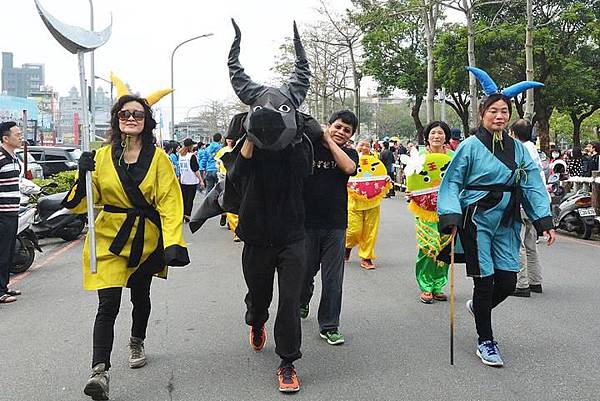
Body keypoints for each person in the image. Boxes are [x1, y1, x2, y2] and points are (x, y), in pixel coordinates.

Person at [62, 94, 190, 400]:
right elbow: (83, 206)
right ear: (116, 119)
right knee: (107, 305)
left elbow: (171, 202)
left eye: (137, 114)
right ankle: (99, 372)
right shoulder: (102, 156)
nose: (130, 118)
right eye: (124, 113)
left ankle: (136, 340)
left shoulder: (158, 158)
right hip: (108, 239)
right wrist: (83, 174)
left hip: (145, 241)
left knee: (140, 296)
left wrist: (173, 242)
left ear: (146, 121)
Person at [438, 67, 556, 367]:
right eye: (493, 111)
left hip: (507, 220)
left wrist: (544, 220)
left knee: (507, 282)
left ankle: (480, 308)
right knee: (485, 282)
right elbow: (451, 182)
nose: (499, 116)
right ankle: (486, 341)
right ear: (482, 114)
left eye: (504, 111)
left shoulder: (518, 149)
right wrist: (451, 216)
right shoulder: (468, 146)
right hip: (477, 219)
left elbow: (531, 183)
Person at [299, 110, 358, 346]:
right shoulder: (309, 146)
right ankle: (303, 298)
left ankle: (330, 325)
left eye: (347, 130)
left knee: (333, 279)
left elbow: (348, 169)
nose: (341, 132)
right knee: (304, 273)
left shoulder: (349, 153)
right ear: (328, 125)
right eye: (338, 127)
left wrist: (330, 142)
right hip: (305, 223)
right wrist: (320, 137)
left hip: (335, 224)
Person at [409, 121, 454, 304]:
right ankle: (425, 285)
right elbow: (412, 181)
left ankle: (438, 285)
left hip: (448, 209)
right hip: (425, 210)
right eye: (433, 133)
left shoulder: (453, 156)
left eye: (440, 133)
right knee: (429, 245)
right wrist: (411, 192)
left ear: (446, 137)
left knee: (444, 248)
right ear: (427, 136)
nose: (437, 136)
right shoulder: (418, 157)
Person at [509, 119, 547, 297]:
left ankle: (521, 284)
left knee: (519, 243)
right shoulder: (534, 149)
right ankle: (535, 281)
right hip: (537, 203)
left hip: (523, 202)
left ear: (513, 134)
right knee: (531, 243)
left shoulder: (520, 150)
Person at [345, 139, 391, 269]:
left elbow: (382, 175)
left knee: (370, 230)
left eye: (367, 146)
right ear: (356, 146)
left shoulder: (376, 161)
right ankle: (347, 246)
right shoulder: (349, 158)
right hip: (354, 201)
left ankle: (366, 257)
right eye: (361, 145)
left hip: (373, 201)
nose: (364, 148)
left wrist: (386, 180)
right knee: (353, 230)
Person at [0, 121, 23, 304]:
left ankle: (4, 287)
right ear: (5, 138)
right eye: (17, 135)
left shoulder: (15, 158)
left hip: (12, 213)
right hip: (2, 214)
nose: (20, 137)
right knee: (1, 252)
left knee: (8, 252)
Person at [214, 137, 240, 241]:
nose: (230, 140)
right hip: (224, 177)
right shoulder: (222, 150)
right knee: (228, 201)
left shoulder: (239, 149)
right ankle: (235, 230)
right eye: (228, 139)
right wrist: (219, 167)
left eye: (231, 138)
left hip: (237, 178)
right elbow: (217, 161)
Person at [179, 137, 204, 222]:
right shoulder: (192, 156)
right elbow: (195, 169)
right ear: (190, 146)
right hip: (191, 180)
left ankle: (182, 213)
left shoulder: (180, 155)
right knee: (190, 199)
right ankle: (187, 215)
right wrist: (201, 180)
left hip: (183, 180)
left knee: (184, 198)